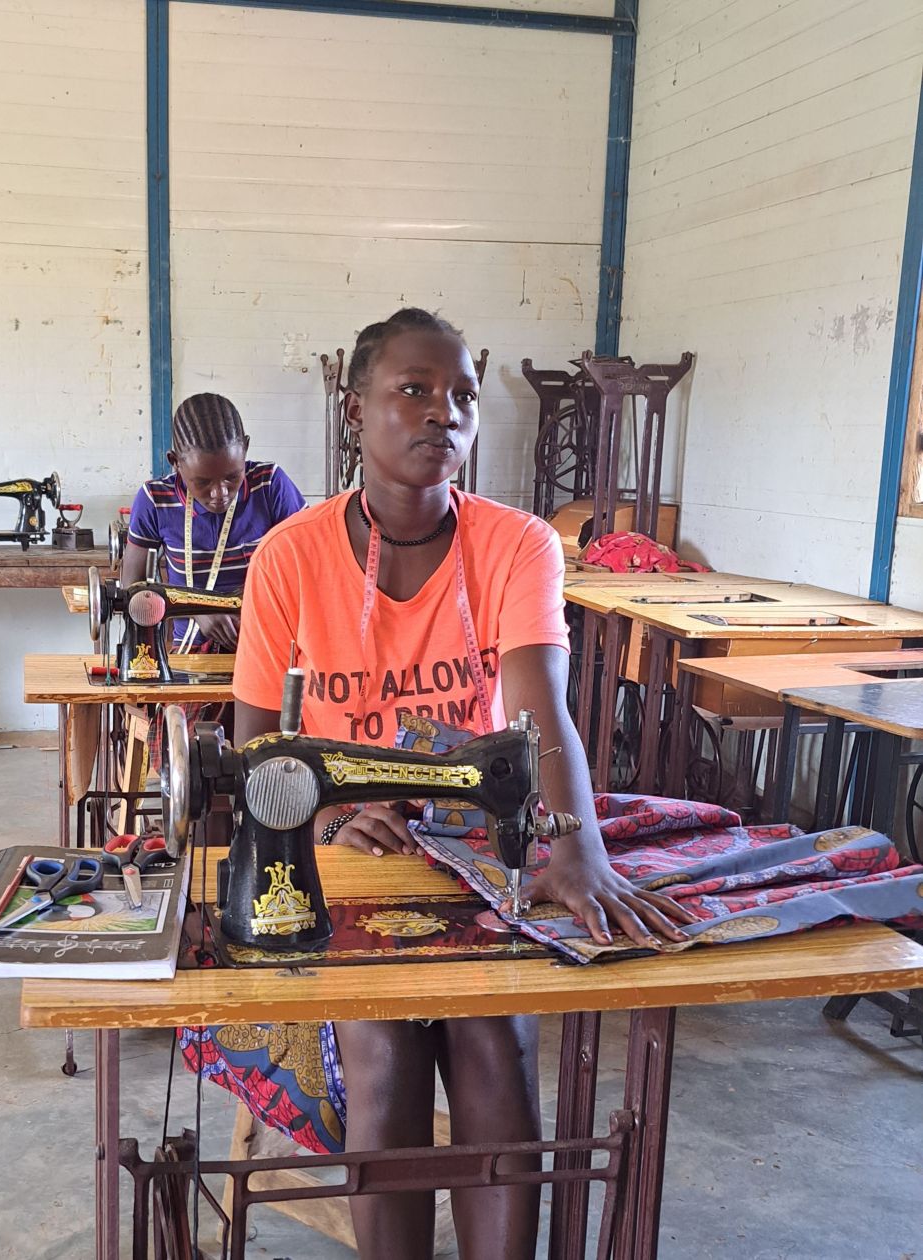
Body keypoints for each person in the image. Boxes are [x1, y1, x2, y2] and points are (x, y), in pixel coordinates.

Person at [226, 309, 695, 1260]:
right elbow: (256, 746)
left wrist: (577, 849)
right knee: (386, 1050)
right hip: (345, 854)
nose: (446, 412)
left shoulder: (518, 543)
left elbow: (537, 708)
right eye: (415, 390)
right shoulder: (291, 555)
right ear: (356, 411)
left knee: (495, 1046)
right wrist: (327, 818)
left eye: (464, 396)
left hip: (478, 842)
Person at [122, 392, 306, 652]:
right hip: (190, 653)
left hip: (266, 646)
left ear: (246, 449)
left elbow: (308, 567)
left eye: (232, 477)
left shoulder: (270, 485)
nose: (220, 493)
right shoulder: (155, 500)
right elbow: (132, 589)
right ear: (175, 463)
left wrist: (251, 605)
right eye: (203, 482)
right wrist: (195, 609)